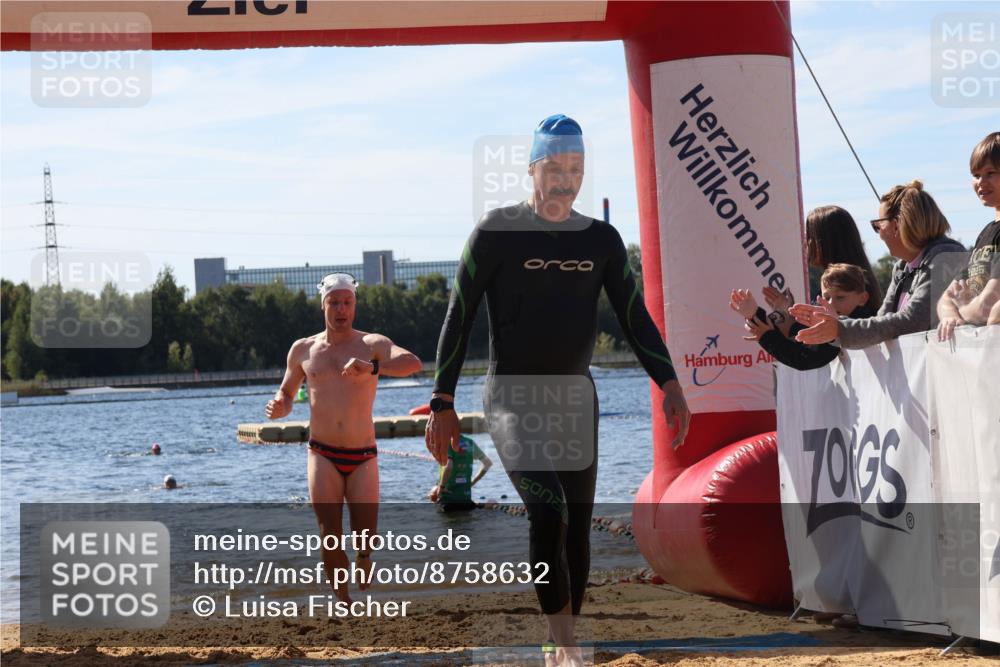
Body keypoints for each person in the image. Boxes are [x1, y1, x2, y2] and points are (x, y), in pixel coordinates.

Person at [425, 114, 690, 666]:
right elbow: (458, 316)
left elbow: (635, 317)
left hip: (575, 401)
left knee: (576, 531)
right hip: (512, 399)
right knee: (549, 513)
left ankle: (563, 638)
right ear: (532, 170)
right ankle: (564, 645)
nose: (566, 180)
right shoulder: (495, 232)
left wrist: (668, 381)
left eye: (576, 169)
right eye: (556, 168)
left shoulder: (602, 240)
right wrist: (442, 402)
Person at [266, 273, 422, 603]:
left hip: (363, 454)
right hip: (321, 453)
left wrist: (372, 368)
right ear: (323, 305)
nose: (341, 309)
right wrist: (281, 405)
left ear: (354, 305)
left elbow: (413, 363)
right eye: (334, 303)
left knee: (364, 537)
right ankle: (343, 601)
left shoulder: (372, 344)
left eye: (347, 303)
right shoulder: (303, 349)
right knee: (330, 533)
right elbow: (287, 391)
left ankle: (364, 557)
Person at [791, 181, 965, 347]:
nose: (879, 234)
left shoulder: (947, 257)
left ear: (897, 226)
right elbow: (883, 320)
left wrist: (839, 328)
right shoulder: (902, 267)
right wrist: (835, 326)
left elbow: (912, 321)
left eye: (878, 225)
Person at [760, 206, 881, 336]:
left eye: (809, 233)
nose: (805, 240)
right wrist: (790, 311)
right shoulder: (855, 282)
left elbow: (819, 345)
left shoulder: (849, 288)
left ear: (823, 241)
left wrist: (782, 325)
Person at [732, 263, 876, 370]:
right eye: (826, 297)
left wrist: (767, 335)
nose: (831, 303)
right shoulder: (822, 321)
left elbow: (804, 358)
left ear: (862, 298)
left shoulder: (865, 325)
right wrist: (755, 316)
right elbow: (800, 341)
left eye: (840, 297)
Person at [937, 131, 1000, 341]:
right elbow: (945, 300)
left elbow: (989, 305)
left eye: (990, 172)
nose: (981, 181)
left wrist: (961, 310)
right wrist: (950, 317)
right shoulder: (986, 232)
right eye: (976, 175)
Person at [428, 434, 492, 512]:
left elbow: (449, 466)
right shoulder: (469, 442)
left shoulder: (446, 443)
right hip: (465, 500)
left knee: (432, 493)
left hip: (448, 501)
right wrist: (472, 482)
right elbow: (488, 463)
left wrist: (441, 487)